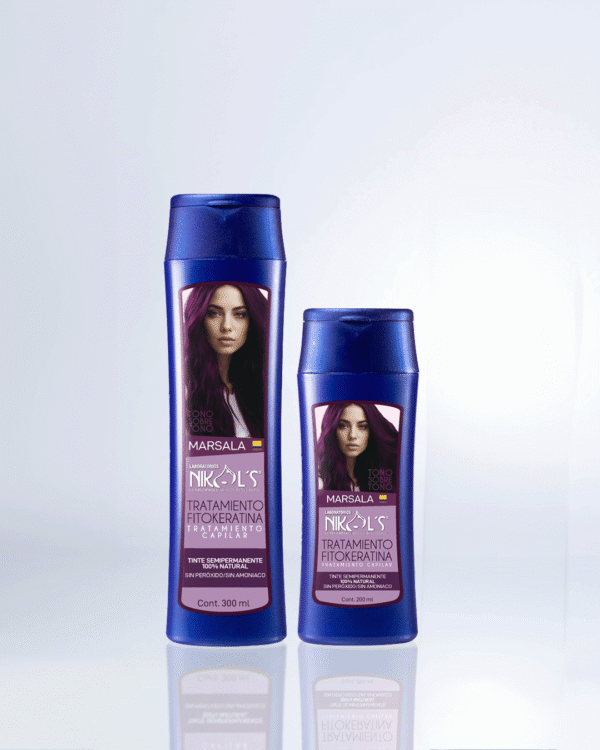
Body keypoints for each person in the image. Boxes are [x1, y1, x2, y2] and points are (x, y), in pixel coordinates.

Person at [184, 283, 267, 437]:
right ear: (199, 318)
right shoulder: (185, 392)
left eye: (239, 314)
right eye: (214, 313)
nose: (226, 326)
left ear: (251, 322)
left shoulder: (261, 389)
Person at [317, 402, 398, 491]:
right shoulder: (318, 483)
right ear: (332, 430)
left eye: (362, 427)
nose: (352, 435)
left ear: (372, 431)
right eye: (343, 426)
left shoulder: (387, 478)